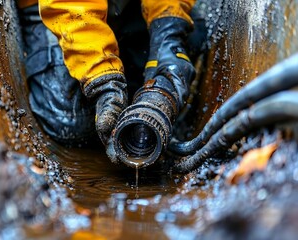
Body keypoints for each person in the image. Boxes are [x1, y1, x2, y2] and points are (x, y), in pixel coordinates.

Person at [17, 0, 198, 158]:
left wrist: (168, 29)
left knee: (194, 39)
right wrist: (103, 81)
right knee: (72, 120)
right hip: (62, 7)